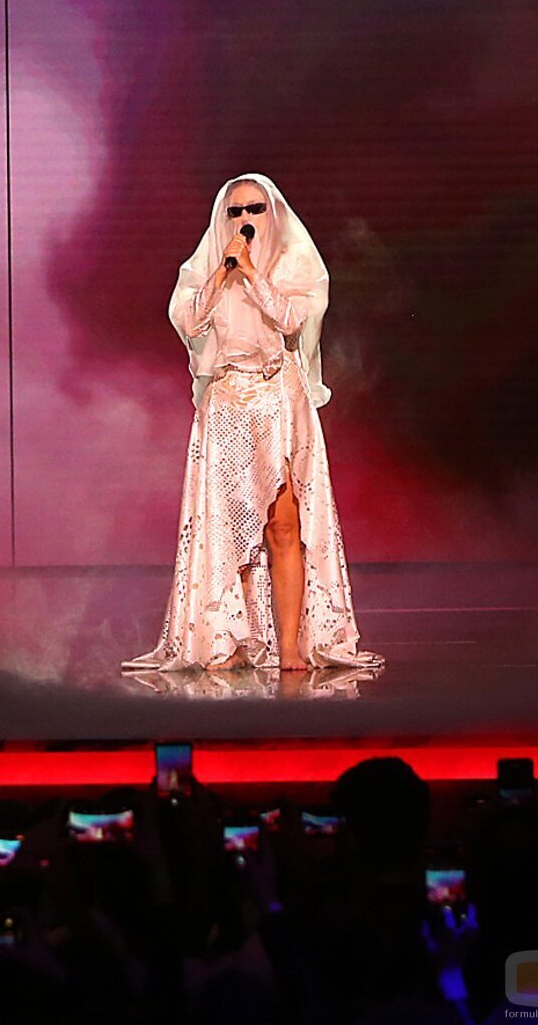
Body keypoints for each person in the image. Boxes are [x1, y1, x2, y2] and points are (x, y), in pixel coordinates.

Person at [124, 175, 382, 673]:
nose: (244, 221)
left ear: (274, 214)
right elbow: (188, 322)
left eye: (255, 210)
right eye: (235, 212)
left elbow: (291, 322)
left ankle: (288, 645)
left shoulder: (296, 265)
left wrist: (252, 275)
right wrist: (223, 277)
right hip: (226, 403)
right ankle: (228, 639)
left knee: (283, 524)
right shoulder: (205, 271)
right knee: (228, 527)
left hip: (277, 400)